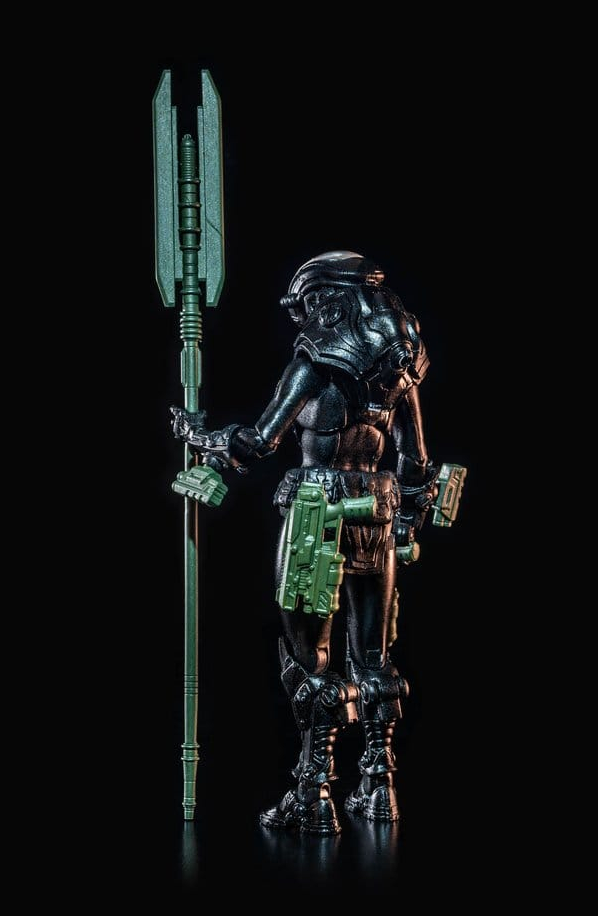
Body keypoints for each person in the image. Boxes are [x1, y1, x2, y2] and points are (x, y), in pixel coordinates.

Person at [171, 251, 439, 835]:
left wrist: (200, 435)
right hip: (378, 512)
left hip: (317, 512)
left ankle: (314, 793)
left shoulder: (314, 362)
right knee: (374, 657)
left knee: (309, 660)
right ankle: (380, 786)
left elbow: (259, 442)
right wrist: (406, 521)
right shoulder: (398, 370)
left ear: (327, 301)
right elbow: (415, 463)